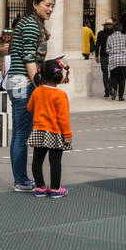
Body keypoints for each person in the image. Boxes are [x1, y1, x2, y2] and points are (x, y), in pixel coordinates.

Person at [8, 0, 55, 192]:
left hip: (18, 82)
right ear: (35, 4)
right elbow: (28, 58)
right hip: (22, 82)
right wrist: (39, 85)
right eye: (47, 5)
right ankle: (20, 180)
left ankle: (21, 178)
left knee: (20, 131)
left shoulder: (33, 24)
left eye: (53, 5)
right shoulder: (30, 25)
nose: (50, 9)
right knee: (21, 133)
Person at [27, 57, 72, 199]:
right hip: (55, 132)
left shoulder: (37, 91)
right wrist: (68, 134)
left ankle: (40, 187)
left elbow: (29, 108)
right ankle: (55, 189)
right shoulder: (60, 95)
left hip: (39, 131)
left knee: (37, 161)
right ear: (59, 77)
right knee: (55, 162)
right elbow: (63, 118)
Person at [104, 23, 126, 101]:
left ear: (113, 29)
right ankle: (121, 97)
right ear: (121, 29)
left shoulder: (110, 38)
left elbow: (107, 50)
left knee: (114, 77)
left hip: (114, 60)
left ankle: (113, 88)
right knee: (122, 79)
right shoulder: (125, 37)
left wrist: (113, 52)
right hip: (124, 60)